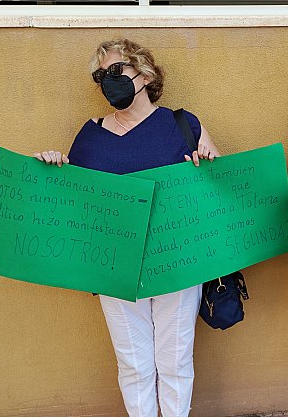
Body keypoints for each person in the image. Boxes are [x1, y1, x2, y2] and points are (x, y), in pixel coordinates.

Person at [35, 38, 220, 417]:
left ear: (145, 73)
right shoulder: (91, 133)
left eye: (117, 70)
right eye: (101, 75)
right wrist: (51, 168)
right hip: (115, 266)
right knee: (133, 363)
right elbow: (76, 200)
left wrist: (208, 164)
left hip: (177, 262)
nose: (108, 80)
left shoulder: (182, 124)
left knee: (174, 359)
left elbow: (219, 189)